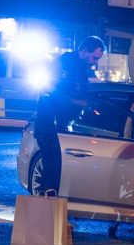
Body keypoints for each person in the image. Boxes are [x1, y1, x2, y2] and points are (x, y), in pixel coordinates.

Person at [32, 36, 105, 195]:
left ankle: (48, 201)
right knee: (52, 167)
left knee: (56, 170)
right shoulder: (63, 63)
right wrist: (81, 103)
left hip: (62, 126)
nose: (95, 62)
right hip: (49, 125)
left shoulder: (82, 71)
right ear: (85, 50)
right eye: (94, 57)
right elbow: (53, 93)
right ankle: (44, 204)